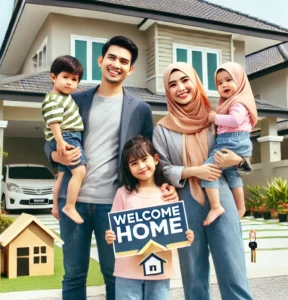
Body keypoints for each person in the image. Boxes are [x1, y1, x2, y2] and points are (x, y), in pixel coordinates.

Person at [44, 36, 177, 300]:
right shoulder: (75, 98)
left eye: (124, 61)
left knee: (115, 275)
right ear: (101, 60)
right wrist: (57, 157)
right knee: (73, 275)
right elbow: (50, 142)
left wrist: (164, 185)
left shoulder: (140, 108)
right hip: (75, 202)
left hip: (116, 205)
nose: (117, 64)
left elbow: (148, 155)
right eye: (112, 58)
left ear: (131, 69)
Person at [153, 62, 253, 300]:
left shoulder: (218, 118)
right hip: (185, 202)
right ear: (167, 91)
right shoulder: (162, 129)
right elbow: (161, 169)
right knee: (193, 274)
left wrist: (237, 160)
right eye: (173, 84)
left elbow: (243, 157)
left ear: (195, 82)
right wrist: (194, 171)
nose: (181, 88)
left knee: (233, 268)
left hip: (222, 196)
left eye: (185, 80)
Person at [105, 136, 194, 300]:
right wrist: (110, 236)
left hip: (159, 267)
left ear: (156, 159)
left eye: (144, 159)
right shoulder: (123, 194)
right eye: (133, 163)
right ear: (128, 168)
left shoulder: (167, 194)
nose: (141, 166)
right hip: (128, 270)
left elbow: (177, 227)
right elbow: (114, 229)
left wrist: (186, 235)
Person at [201, 62, 258, 225]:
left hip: (232, 141)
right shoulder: (228, 103)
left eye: (228, 80)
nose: (224, 85)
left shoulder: (238, 102)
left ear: (239, 81)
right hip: (238, 141)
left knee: (209, 169)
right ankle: (241, 207)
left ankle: (215, 206)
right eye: (219, 83)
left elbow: (235, 120)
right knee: (233, 174)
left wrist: (215, 118)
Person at [42, 55, 86, 224]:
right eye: (65, 77)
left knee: (61, 175)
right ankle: (69, 205)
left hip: (67, 136)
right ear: (53, 77)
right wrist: (60, 142)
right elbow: (54, 122)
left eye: (74, 80)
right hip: (67, 136)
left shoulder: (63, 96)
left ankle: (55, 206)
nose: (69, 82)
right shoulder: (53, 99)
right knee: (80, 171)